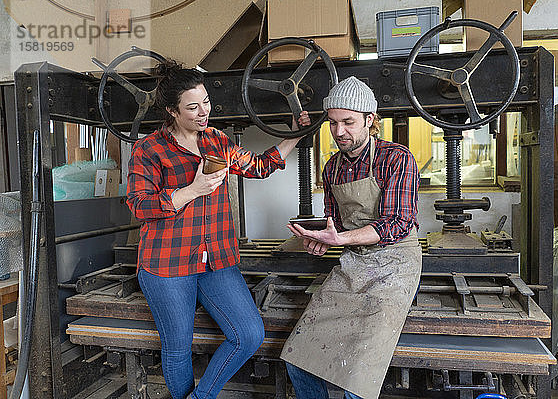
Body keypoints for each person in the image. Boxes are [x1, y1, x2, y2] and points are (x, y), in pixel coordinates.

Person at [126, 60, 309, 399]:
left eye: (206, 102)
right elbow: (139, 204)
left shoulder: (217, 141)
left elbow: (259, 166)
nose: (203, 112)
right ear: (172, 111)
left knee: (249, 334)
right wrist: (191, 191)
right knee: (178, 349)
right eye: (192, 107)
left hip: (215, 262)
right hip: (167, 265)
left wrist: (296, 134)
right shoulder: (150, 149)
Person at [281, 76, 422, 399]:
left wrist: (340, 240)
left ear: (369, 120)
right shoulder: (331, 168)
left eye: (348, 122)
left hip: (394, 264)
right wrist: (321, 241)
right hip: (354, 262)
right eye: (332, 123)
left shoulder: (396, 158)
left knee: (356, 380)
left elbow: (398, 223)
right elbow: (338, 228)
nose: (339, 131)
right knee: (297, 358)